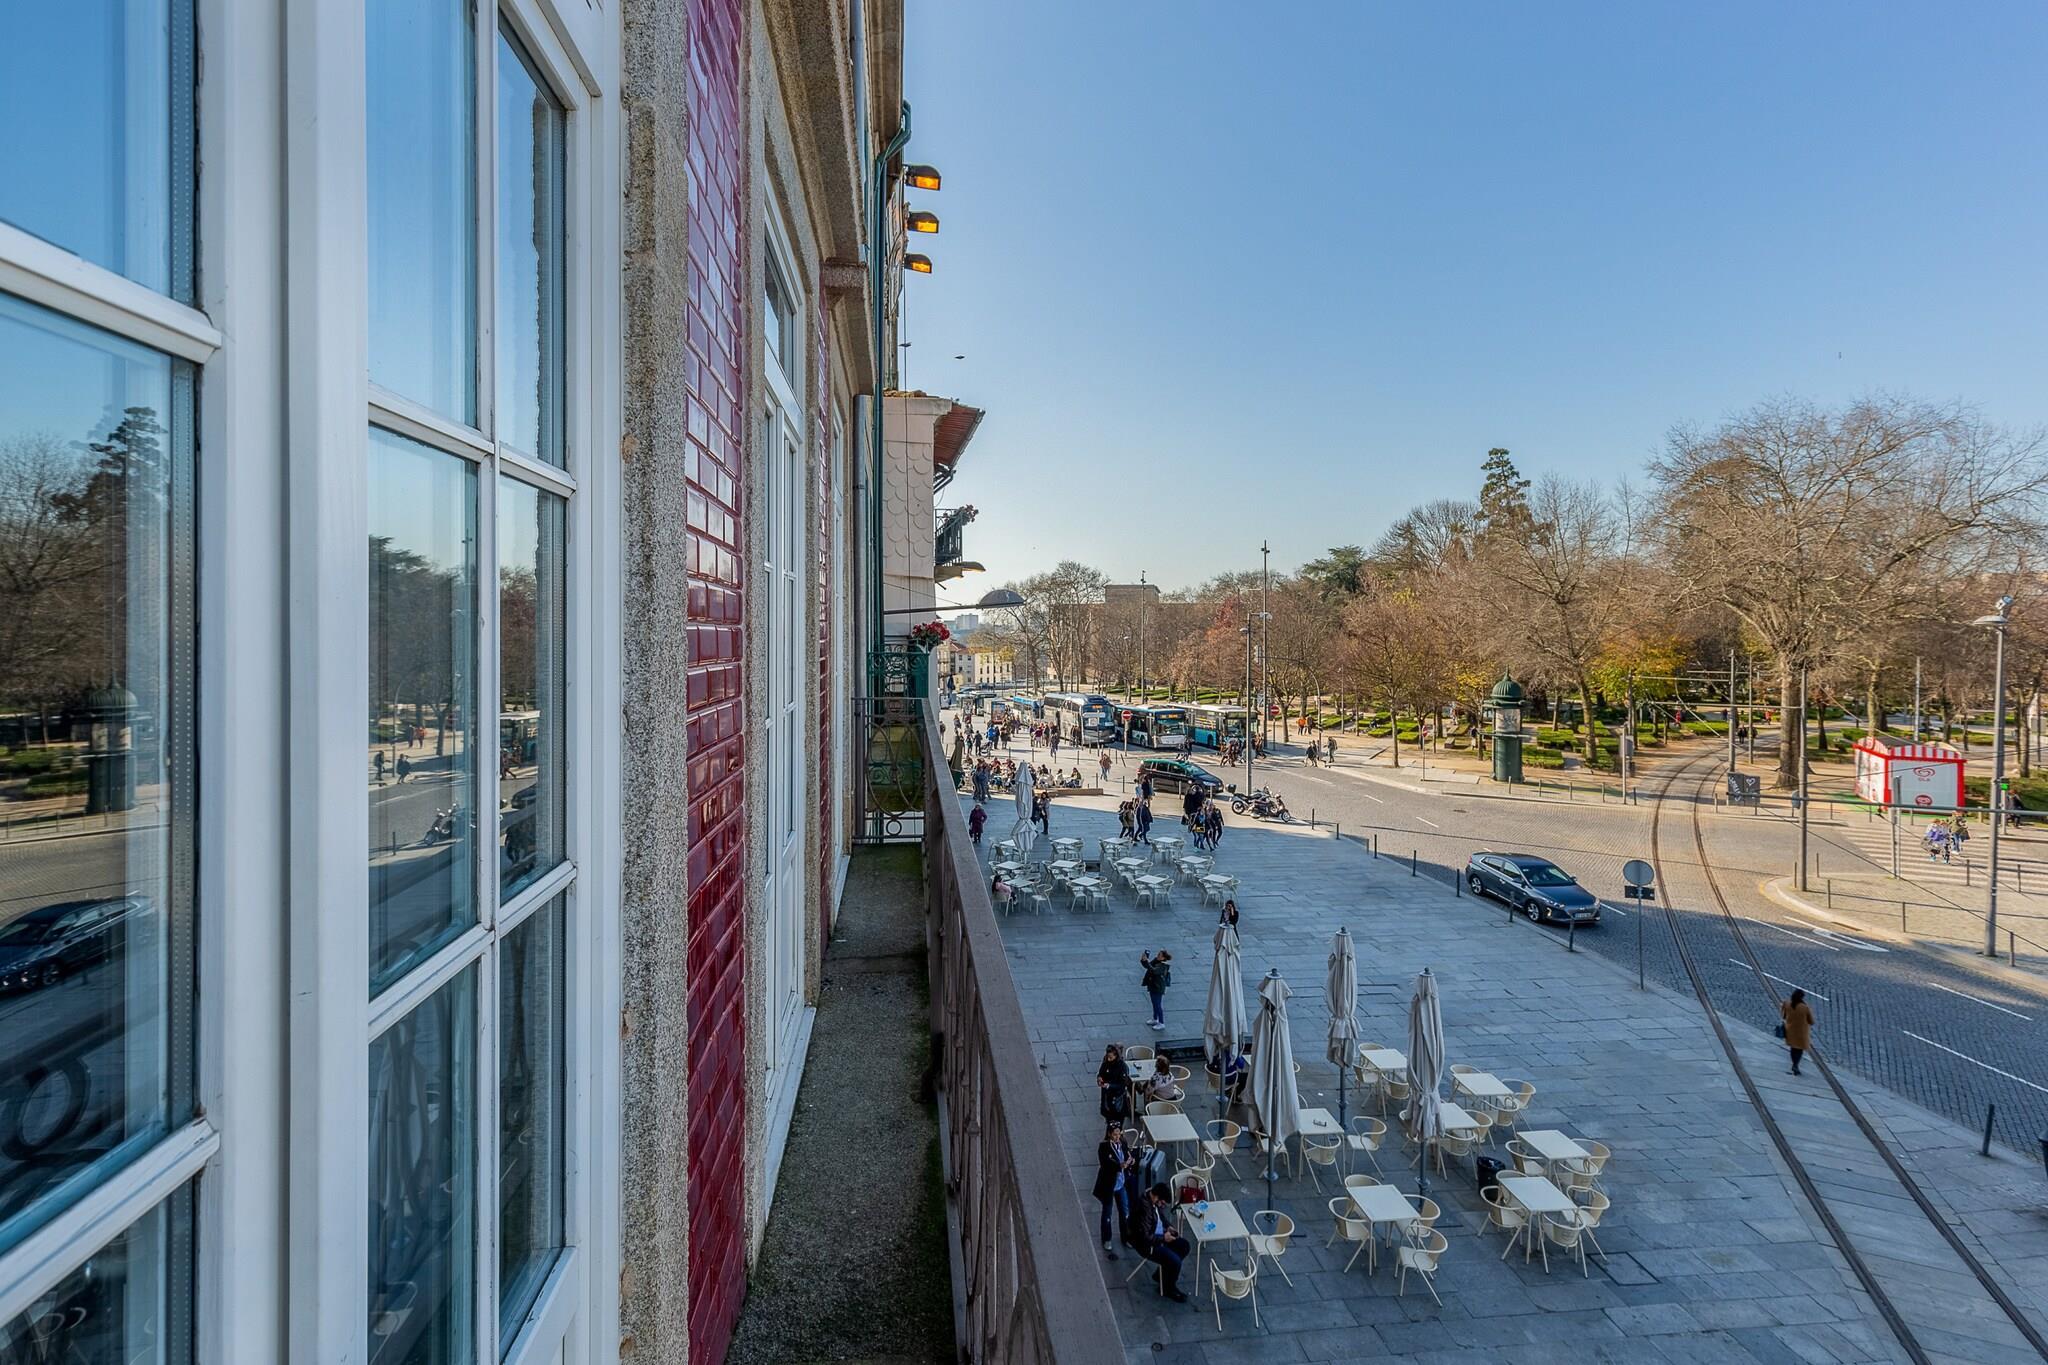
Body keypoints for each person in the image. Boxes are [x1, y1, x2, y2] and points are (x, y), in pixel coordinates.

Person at [1136, 1184, 1191, 1301]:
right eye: (1162, 1203)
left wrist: (1168, 1226)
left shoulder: (1154, 1201)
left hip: (1159, 1235)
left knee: (1184, 1246)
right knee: (1175, 1262)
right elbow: (1145, 1237)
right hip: (1149, 1245)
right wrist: (1163, 1238)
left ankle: (1162, 1276)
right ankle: (1168, 1288)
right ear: (1156, 1197)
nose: (1162, 1206)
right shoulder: (1144, 1210)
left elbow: (1160, 1216)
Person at [1093, 1121, 1136, 1259]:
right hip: (1109, 1185)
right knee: (1107, 1213)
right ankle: (1107, 1238)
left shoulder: (1123, 1143)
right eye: (1115, 1134)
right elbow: (1105, 1164)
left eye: (1119, 1134)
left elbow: (1127, 1154)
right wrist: (1119, 1166)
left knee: (1125, 1211)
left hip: (1121, 1184)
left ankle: (1126, 1237)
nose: (1117, 1137)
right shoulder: (1104, 1147)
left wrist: (1131, 1161)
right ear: (1109, 1134)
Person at [1780, 988, 1815, 1075]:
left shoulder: (1787, 1003)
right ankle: (1795, 1065)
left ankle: (1794, 1064)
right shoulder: (1805, 1007)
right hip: (1801, 1033)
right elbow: (1811, 1021)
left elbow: (1783, 1016)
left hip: (1790, 1030)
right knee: (1799, 1049)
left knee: (1793, 1048)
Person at [1139, 949, 1172, 1030]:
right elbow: (1148, 966)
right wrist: (1144, 960)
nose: (1158, 956)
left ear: (1163, 958)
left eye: (1159, 955)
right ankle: (1155, 1018)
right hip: (1153, 985)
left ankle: (1161, 1022)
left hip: (1158, 987)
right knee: (1154, 1004)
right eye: (1158, 954)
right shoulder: (1156, 960)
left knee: (1157, 1005)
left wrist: (1146, 961)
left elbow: (1154, 971)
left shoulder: (1163, 966)